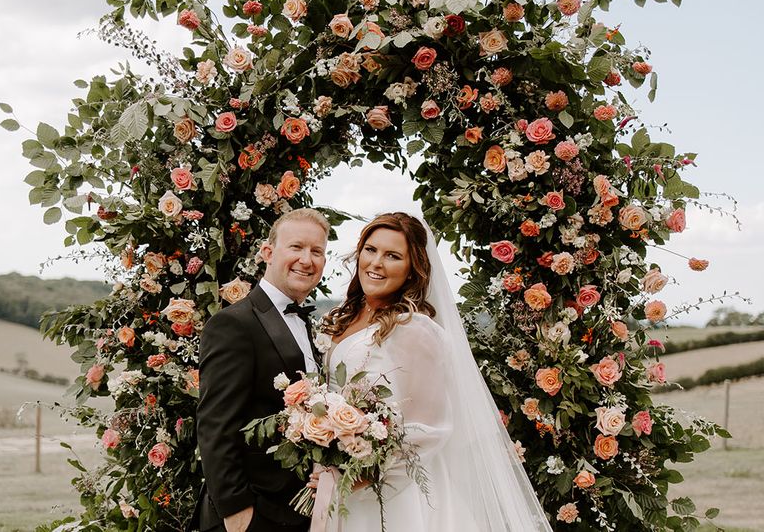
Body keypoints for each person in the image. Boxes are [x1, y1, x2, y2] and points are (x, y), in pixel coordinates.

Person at [309, 212, 552, 531]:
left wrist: (358, 477)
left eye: (393, 256)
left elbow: (427, 430)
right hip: (338, 486)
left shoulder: (414, 331)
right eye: (371, 249)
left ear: (412, 270)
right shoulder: (341, 318)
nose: (376, 263)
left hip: (393, 500)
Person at [194, 208, 330, 532]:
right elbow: (215, 427)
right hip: (253, 515)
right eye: (296, 247)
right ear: (267, 253)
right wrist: (238, 515)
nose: (306, 260)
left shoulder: (306, 323)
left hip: (297, 513)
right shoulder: (233, 324)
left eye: (317, 251)